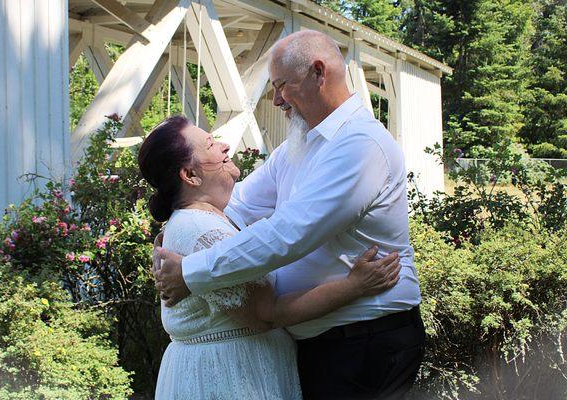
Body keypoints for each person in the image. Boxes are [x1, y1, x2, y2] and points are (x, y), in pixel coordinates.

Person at [155, 30, 425, 399]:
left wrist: (191, 271)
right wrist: (183, 226)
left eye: (281, 85)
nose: (276, 99)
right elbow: (237, 208)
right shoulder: (300, 144)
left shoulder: (360, 146)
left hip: (365, 341)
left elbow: (289, 235)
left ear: (318, 73)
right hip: (326, 345)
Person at [139, 116, 402, 399]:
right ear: (190, 175)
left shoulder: (203, 218)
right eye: (211, 144)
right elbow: (266, 313)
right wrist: (355, 286)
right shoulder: (201, 231)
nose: (225, 146)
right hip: (233, 379)